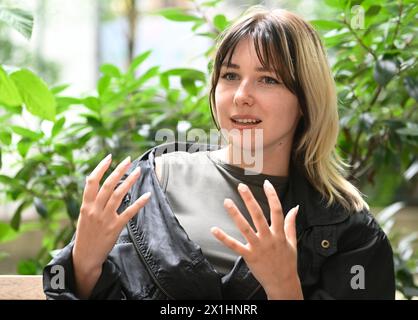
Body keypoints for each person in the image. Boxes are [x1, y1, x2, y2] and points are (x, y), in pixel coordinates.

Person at [43, 6, 395, 300]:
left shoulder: (347, 228)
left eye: (268, 79)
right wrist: (83, 264)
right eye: (230, 75)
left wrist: (284, 287)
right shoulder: (149, 181)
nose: (242, 94)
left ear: (306, 100)